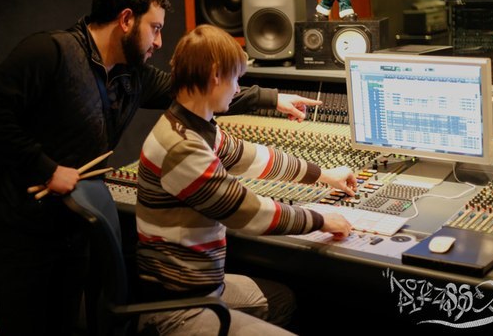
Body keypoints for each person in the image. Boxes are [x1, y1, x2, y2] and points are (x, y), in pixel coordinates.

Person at [0, 0, 322, 335]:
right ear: (125, 19)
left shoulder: (130, 75)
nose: (159, 41)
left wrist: (271, 98)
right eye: (155, 28)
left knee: (64, 325)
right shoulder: (50, 52)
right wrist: (46, 168)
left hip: (71, 223)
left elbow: (194, 88)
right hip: (22, 227)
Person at [136, 24, 356, 335]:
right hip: (179, 308)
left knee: (282, 300)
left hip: (204, 288)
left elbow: (254, 158)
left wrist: (324, 175)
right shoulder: (181, 147)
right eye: (236, 79)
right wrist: (322, 220)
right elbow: (249, 213)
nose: (238, 89)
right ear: (215, 75)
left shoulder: (190, 124)